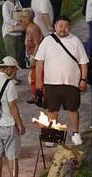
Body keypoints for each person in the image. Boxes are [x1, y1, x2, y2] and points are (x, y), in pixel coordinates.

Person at [34, 15, 88, 146]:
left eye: (66, 26)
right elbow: (39, 63)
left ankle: (75, 133)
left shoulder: (75, 41)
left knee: (73, 109)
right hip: (52, 82)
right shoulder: (47, 41)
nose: (63, 29)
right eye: (60, 26)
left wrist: (83, 79)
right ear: (55, 27)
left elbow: (83, 63)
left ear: (69, 27)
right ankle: (52, 135)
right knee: (52, 110)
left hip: (71, 82)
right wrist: (38, 81)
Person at [21, 8, 42, 101]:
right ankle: (35, 96)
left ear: (31, 17)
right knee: (33, 77)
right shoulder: (28, 27)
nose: (23, 18)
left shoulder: (34, 29)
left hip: (36, 56)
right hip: (30, 55)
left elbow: (37, 44)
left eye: (25, 16)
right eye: (22, 16)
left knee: (36, 77)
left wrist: (33, 57)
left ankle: (39, 97)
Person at [1, 0, 24, 65]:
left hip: (18, 32)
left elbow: (21, 13)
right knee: (12, 56)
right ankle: (12, 72)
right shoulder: (5, 5)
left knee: (18, 54)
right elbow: (7, 19)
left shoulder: (18, 2)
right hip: (9, 33)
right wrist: (18, 22)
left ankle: (18, 72)